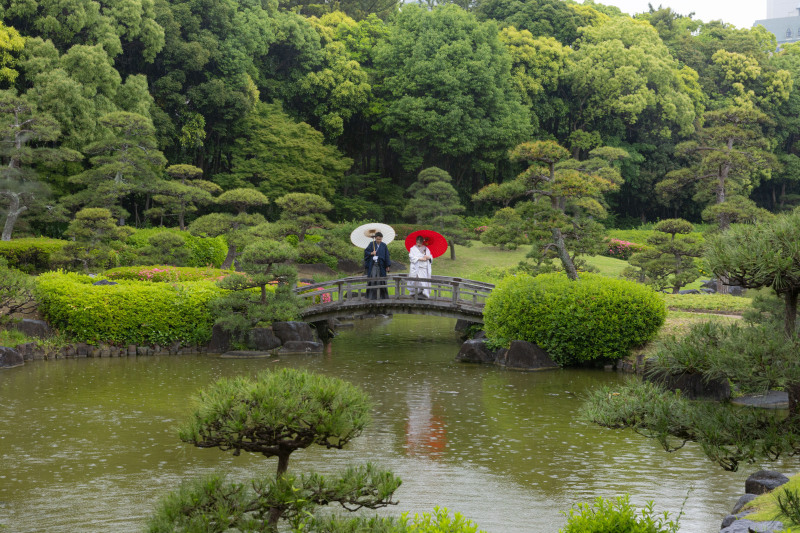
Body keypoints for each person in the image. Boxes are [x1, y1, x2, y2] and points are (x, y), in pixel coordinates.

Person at [364, 232, 391, 300]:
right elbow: (366, 252)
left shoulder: (384, 245)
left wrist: (387, 265)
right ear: (375, 238)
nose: (379, 240)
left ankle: (383, 296)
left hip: (381, 265)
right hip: (373, 264)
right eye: (378, 239)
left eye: (380, 239)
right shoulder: (371, 244)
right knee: (373, 279)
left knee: (382, 279)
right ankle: (372, 296)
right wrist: (371, 253)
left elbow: (387, 255)